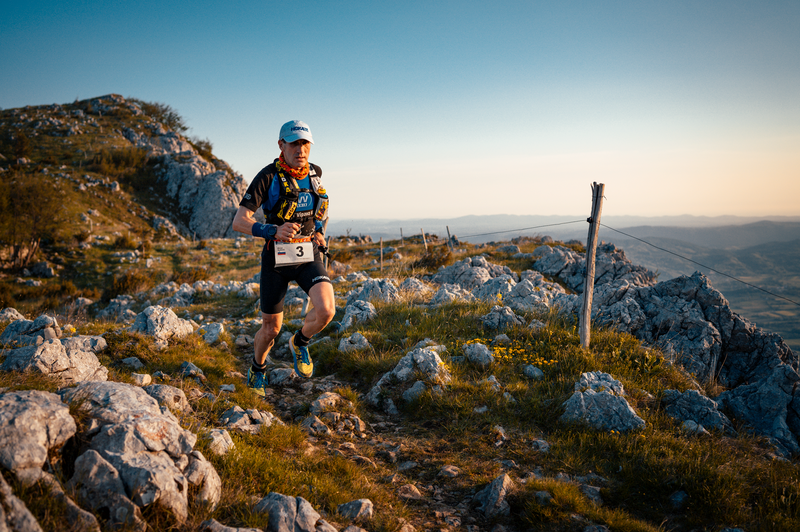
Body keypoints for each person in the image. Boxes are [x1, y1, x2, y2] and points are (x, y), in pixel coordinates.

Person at [232, 120, 335, 395]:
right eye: (294, 143)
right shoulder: (267, 176)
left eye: (305, 144)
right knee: (271, 328)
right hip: (276, 259)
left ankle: (300, 342)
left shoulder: (316, 172)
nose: (300, 149)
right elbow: (240, 221)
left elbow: (320, 208)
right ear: (282, 145)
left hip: (306, 253)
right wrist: (273, 230)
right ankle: (257, 367)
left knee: (326, 310)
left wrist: (321, 232)